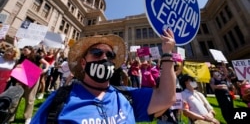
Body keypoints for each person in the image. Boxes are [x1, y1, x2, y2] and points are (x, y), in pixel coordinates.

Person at [31, 29, 176, 123]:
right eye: (96, 53)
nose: (104, 58)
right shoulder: (58, 101)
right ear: (83, 62)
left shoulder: (127, 97)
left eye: (110, 55)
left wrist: (168, 53)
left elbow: (166, 98)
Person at [15, 46, 50, 124]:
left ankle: (27, 117)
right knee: (16, 97)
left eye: (25, 50)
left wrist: (45, 70)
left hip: (32, 77)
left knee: (30, 98)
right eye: (23, 50)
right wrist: (18, 66)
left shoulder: (36, 56)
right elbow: (18, 65)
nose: (24, 52)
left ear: (31, 50)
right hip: (21, 77)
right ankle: (10, 117)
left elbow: (47, 64)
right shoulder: (22, 57)